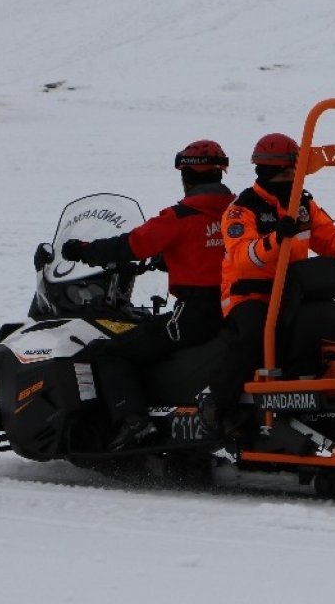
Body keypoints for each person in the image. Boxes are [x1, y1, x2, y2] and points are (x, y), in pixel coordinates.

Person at [202, 132, 335, 434]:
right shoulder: (241, 209)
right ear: (267, 172)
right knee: (253, 335)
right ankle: (220, 408)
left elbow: (332, 239)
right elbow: (243, 257)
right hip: (250, 296)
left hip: (295, 294)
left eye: (295, 172)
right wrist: (277, 239)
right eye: (287, 173)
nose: (292, 179)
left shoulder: (302, 204)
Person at [60, 139, 235, 449]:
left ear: (187, 177)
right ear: (220, 175)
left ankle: (132, 421)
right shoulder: (239, 215)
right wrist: (170, 261)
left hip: (195, 316)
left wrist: (83, 251)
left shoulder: (180, 217)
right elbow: (214, 255)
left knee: (110, 351)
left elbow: (130, 245)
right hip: (237, 311)